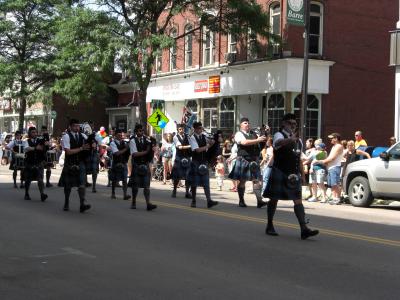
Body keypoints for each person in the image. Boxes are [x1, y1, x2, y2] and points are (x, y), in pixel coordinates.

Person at [263, 113, 319, 240]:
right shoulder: (279, 134)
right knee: (274, 199)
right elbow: (278, 143)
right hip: (280, 171)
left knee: (298, 201)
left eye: (295, 124)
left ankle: (304, 229)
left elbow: (298, 158)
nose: (293, 126)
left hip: (293, 175)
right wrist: (290, 139)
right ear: (284, 123)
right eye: (290, 123)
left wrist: (303, 176)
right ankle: (269, 225)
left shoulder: (298, 141)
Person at [229, 117, 268, 208]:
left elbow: (261, 143)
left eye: (248, 123)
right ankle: (241, 200)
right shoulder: (238, 134)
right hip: (244, 159)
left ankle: (259, 201)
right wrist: (258, 140)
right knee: (242, 181)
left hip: (254, 160)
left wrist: (265, 133)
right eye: (245, 123)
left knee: (256, 181)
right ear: (241, 125)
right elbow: (244, 142)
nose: (247, 124)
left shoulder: (253, 134)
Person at [58, 119, 91, 213]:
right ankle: (66, 202)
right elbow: (68, 152)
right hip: (70, 162)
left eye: (78, 126)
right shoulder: (66, 137)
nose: (77, 128)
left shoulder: (83, 135)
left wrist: (92, 143)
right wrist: (81, 148)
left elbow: (90, 146)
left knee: (82, 184)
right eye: (75, 126)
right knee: (68, 186)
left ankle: (82, 204)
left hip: (80, 162)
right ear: (70, 127)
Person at [187, 121, 218, 208]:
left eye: (201, 128)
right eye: (200, 128)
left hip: (204, 161)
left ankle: (209, 201)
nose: (201, 129)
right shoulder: (192, 137)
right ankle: (193, 201)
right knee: (194, 183)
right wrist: (207, 146)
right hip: (196, 162)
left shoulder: (204, 136)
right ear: (195, 129)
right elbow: (197, 150)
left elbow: (212, 143)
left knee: (206, 182)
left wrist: (213, 139)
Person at [129, 124, 157, 211]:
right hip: (137, 165)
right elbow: (134, 154)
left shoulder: (147, 140)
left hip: (145, 165)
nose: (141, 132)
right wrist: (146, 152)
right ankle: (133, 201)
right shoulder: (132, 141)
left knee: (147, 186)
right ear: (136, 132)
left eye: (142, 130)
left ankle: (148, 204)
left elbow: (151, 152)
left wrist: (152, 149)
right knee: (135, 186)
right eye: (139, 131)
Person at [316, 133, 344, 205]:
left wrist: (322, 161)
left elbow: (332, 158)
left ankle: (337, 198)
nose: (330, 140)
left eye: (332, 138)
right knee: (332, 184)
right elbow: (329, 157)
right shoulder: (334, 146)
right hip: (331, 167)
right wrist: (324, 161)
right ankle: (334, 198)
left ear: (336, 139)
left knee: (335, 184)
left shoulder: (338, 146)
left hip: (335, 167)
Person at [22, 127, 48, 201]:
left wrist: (46, 144)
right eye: (33, 132)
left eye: (35, 132)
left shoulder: (40, 140)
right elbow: (26, 148)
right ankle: (26, 193)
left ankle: (42, 194)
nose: (35, 134)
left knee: (40, 179)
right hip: (29, 162)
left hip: (39, 162)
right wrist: (35, 148)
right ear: (29, 133)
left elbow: (45, 146)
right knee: (28, 179)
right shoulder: (27, 141)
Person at [171, 124, 192, 198]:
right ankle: (174, 191)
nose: (181, 130)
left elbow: (192, 142)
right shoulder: (175, 137)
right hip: (179, 158)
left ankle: (187, 192)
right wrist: (190, 146)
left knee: (188, 175)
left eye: (182, 129)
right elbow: (179, 147)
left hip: (187, 157)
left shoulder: (188, 136)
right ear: (177, 130)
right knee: (177, 175)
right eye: (180, 129)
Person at [109, 129, 131, 200]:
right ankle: (113, 193)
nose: (120, 136)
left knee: (124, 179)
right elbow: (116, 153)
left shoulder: (124, 143)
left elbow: (128, 152)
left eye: (121, 135)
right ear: (115, 136)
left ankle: (125, 194)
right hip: (116, 162)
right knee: (114, 179)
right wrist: (126, 149)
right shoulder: (113, 143)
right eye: (118, 135)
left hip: (123, 162)